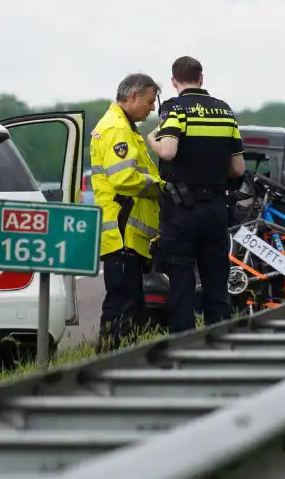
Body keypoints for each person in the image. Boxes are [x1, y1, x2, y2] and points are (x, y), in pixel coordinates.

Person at [149, 56, 245, 334]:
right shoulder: (225, 111)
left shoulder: (174, 108)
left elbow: (168, 151)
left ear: (173, 82)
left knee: (181, 280)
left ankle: (184, 345)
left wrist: (150, 140)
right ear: (202, 78)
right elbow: (238, 168)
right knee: (217, 279)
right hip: (216, 207)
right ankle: (221, 342)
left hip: (182, 210)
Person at [90, 73, 164, 352]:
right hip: (123, 234)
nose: (152, 108)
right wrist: (161, 187)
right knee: (121, 304)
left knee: (128, 304)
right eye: (149, 101)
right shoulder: (117, 129)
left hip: (126, 235)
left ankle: (117, 359)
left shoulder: (123, 127)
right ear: (133, 96)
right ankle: (107, 362)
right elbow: (124, 179)